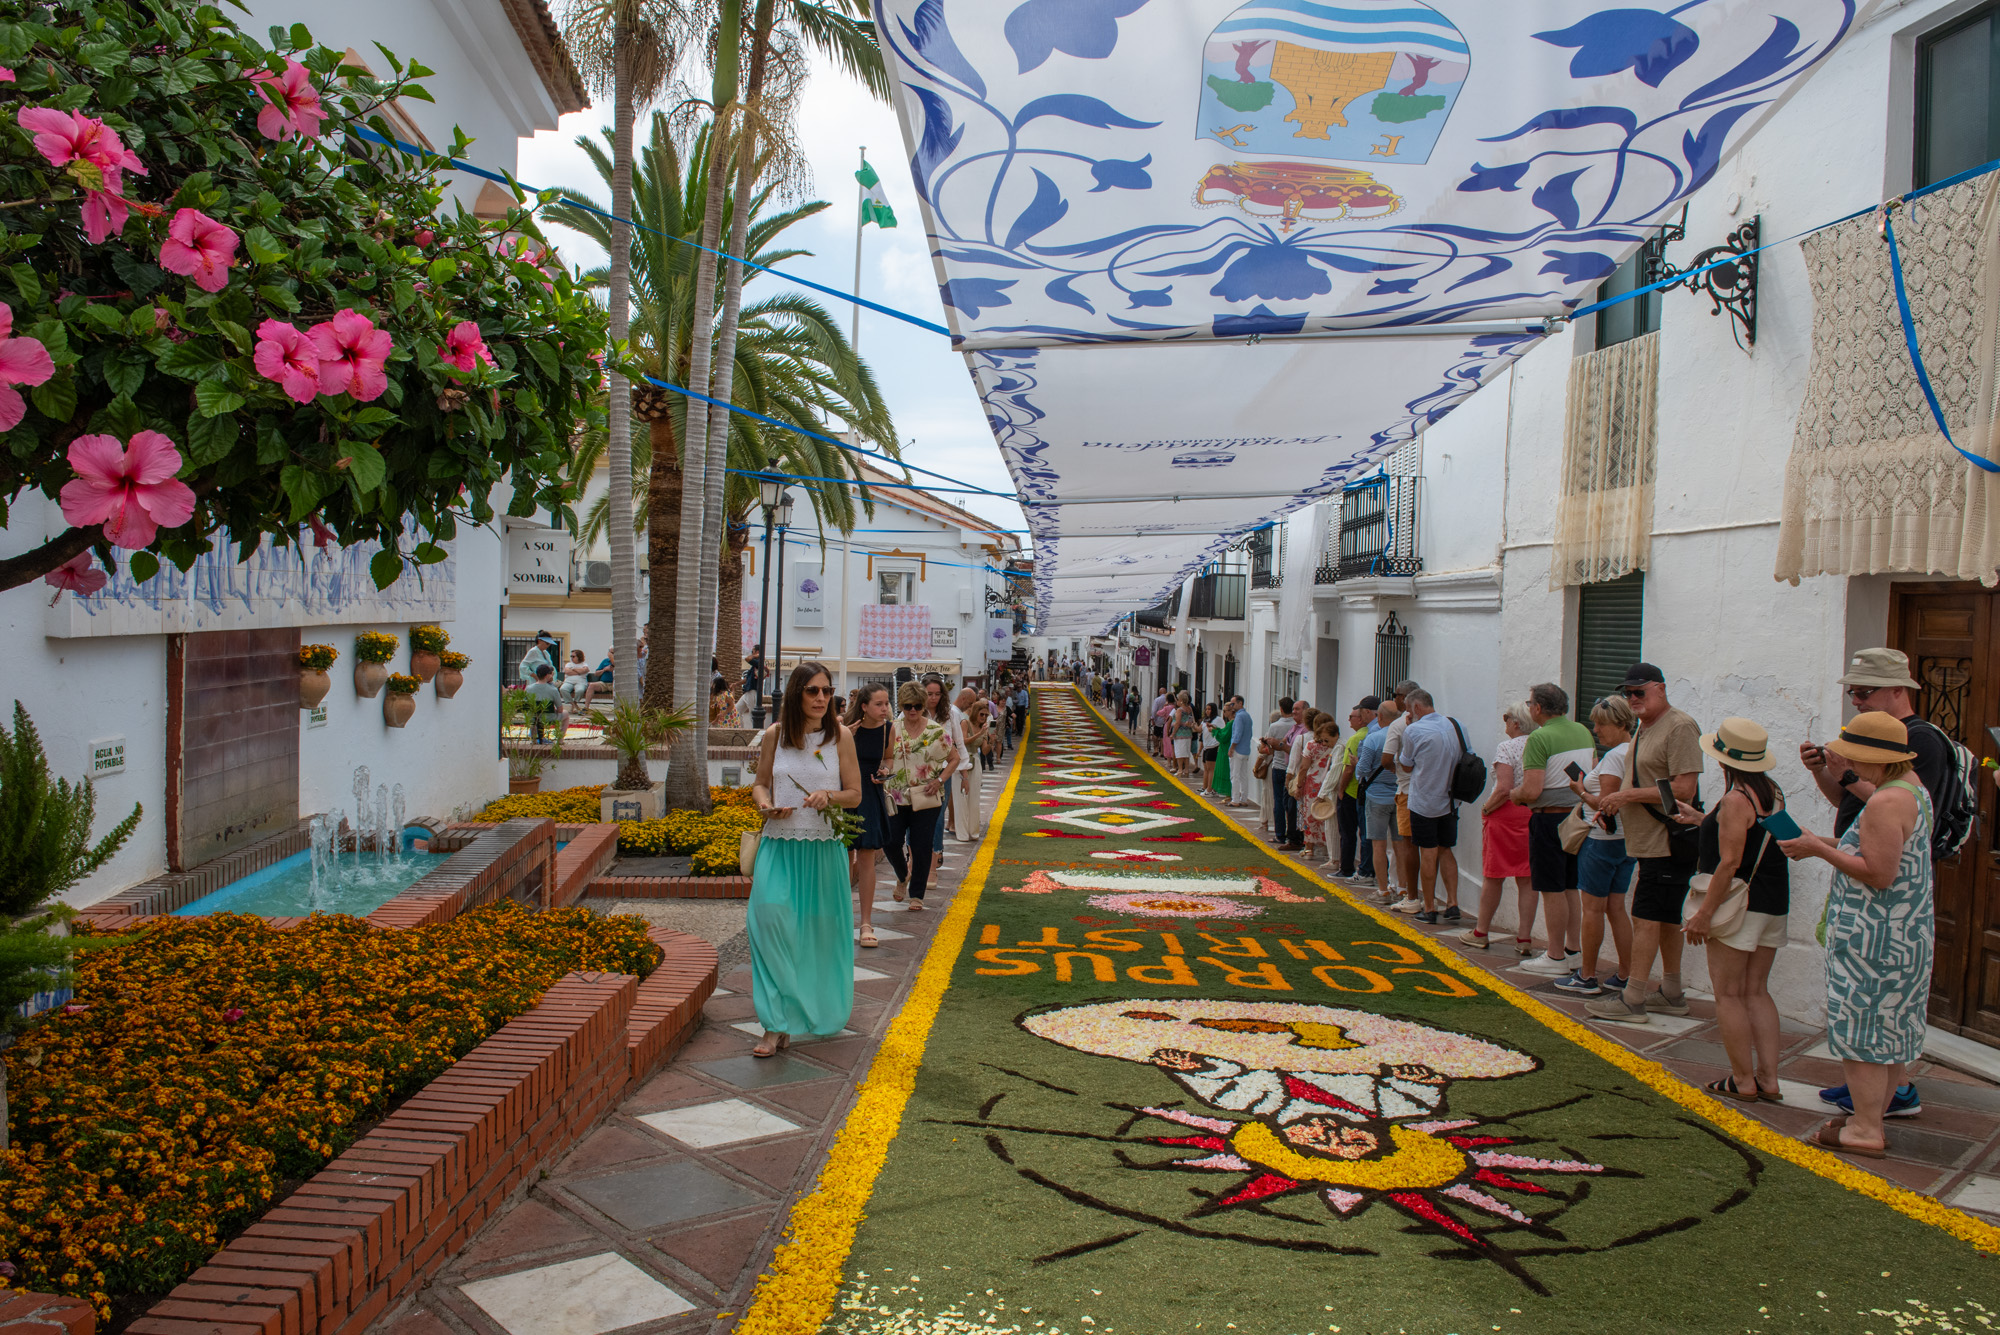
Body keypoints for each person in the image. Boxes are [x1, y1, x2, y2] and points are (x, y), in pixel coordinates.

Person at [1778, 712, 1933, 1157]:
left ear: (1871, 757)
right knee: (1891, 1030)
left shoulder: (1885, 803)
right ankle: (1871, 1118)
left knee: (1863, 1034)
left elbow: (1878, 874)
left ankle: (1865, 1129)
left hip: (1874, 939)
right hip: (1905, 935)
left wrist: (1817, 847)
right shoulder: (1910, 788)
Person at [748, 660, 861, 1057]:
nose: (820, 698)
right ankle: (774, 1022)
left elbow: (855, 794)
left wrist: (828, 796)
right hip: (779, 845)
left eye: (826, 691)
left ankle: (793, 1017)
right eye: (812, 691)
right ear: (796, 694)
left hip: (822, 850)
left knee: (816, 937)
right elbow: (761, 783)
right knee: (768, 922)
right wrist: (765, 804)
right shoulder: (775, 735)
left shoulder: (840, 737)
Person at [1676, 717, 1790, 1102]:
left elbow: (1729, 862)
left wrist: (1704, 913)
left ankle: (1742, 1080)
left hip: (1738, 903)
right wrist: (1701, 819)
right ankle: (1769, 1079)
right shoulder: (1772, 792)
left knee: (1727, 994)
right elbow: (1776, 837)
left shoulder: (1735, 799)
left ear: (1725, 762)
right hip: (1773, 901)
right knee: (1757, 990)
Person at [1586, 663, 1705, 1025]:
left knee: (1647, 916)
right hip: (1650, 840)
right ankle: (1671, 992)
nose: (1633, 699)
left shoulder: (1680, 726)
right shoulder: (1645, 728)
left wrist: (1627, 796)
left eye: (1640, 692)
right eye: (1629, 693)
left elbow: (1685, 789)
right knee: (1666, 918)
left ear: (1661, 689)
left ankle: (1633, 997)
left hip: (1669, 839)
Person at [1512, 683, 1594, 977]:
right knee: (1571, 885)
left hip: (1548, 820)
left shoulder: (1539, 737)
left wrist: (1515, 795)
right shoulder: (1583, 731)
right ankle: (1572, 950)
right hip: (1578, 816)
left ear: (1537, 708)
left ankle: (1555, 954)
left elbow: (1532, 790)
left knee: (1551, 888)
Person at [1557, 696, 1637, 996]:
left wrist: (1580, 790)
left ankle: (1587, 975)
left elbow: (1606, 805)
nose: (1596, 729)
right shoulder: (1634, 751)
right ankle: (1627, 973)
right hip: (1625, 842)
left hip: (1601, 840)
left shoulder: (1616, 756)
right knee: (1616, 908)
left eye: (1601, 724)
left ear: (1619, 723)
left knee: (1592, 909)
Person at [1461, 702, 1534, 953]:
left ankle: (1481, 931)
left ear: (1516, 722)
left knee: (1494, 876)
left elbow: (1503, 787)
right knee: (1527, 878)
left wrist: (1487, 808)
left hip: (1505, 814)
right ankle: (1524, 939)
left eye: (1507, 718)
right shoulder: (1540, 745)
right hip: (1531, 812)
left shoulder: (1508, 747)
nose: (1505, 723)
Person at [883, 680, 960, 910]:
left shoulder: (936, 731)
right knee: (891, 841)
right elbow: (883, 758)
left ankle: (917, 894)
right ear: (902, 706)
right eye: (908, 706)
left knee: (921, 844)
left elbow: (954, 758)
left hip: (926, 796)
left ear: (924, 705)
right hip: (896, 797)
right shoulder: (891, 729)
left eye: (917, 705)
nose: (913, 710)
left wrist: (939, 781)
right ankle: (901, 874)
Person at [1397, 689, 1462, 924]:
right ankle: (1453, 903)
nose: (1407, 714)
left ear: (1416, 708)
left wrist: (1408, 731)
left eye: (1408, 709)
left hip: (1425, 799)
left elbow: (1405, 765)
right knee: (1446, 849)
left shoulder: (1414, 730)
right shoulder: (1456, 725)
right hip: (1451, 800)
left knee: (1428, 851)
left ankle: (1431, 907)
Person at [844, 684, 892, 949]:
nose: (885, 709)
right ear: (864, 706)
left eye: (886, 703)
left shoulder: (888, 729)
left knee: (866, 856)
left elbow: (888, 759)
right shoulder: (844, 728)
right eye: (878, 704)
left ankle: (865, 923)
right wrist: (844, 737)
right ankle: (839, 920)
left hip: (870, 793)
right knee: (841, 856)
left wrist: (885, 771)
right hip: (844, 793)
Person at [1355, 699, 1400, 906]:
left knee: (1379, 844)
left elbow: (1363, 770)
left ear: (1379, 717)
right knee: (1401, 845)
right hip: (1399, 794)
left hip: (1376, 795)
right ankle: (1402, 888)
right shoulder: (1404, 737)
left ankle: (1383, 890)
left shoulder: (1374, 738)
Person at [1329, 698, 1379, 879]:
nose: (1348, 720)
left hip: (1352, 790)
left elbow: (1348, 768)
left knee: (1349, 832)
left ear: (1362, 717)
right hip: (1366, 790)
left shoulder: (1357, 738)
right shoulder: (1372, 733)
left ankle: (1347, 867)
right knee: (1366, 833)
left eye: (1352, 717)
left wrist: (1340, 790)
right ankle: (1367, 869)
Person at [1381, 680, 1420, 900]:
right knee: (1434, 848)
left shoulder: (1399, 725)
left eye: (1396, 695)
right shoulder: (1444, 723)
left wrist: (1399, 771)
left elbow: (1387, 759)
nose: (1395, 698)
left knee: (1406, 842)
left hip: (1406, 789)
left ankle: (1407, 890)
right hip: (1435, 792)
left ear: (1404, 698)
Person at [1296, 713, 1340, 864]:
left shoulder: (1311, 745)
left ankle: (1309, 848)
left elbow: (1303, 767)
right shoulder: (1337, 744)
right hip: (1329, 783)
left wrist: (1299, 785)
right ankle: (1329, 850)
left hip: (1313, 782)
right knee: (1328, 814)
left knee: (1311, 813)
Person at [1263, 697, 1303, 849]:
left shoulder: (1275, 726)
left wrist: (1270, 744)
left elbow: (1271, 747)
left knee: (1281, 802)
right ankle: (1290, 833)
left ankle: (1282, 834)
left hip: (1281, 766)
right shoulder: (1295, 726)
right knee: (1289, 803)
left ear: (1281, 709)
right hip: (1289, 767)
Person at [1228, 694, 1256, 809]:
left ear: (1240, 703)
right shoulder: (1247, 716)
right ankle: (1243, 798)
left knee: (1235, 775)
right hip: (1245, 749)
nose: (1231, 706)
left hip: (1238, 749)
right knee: (1243, 775)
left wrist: (1232, 748)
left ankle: (1235, 799)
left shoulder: (1239, 717)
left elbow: (1237, 734)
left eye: (1233, 703)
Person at [524, 663, 561, 742]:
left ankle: (533, 740)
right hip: (548, 717)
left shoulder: (528, 688)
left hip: (532, 717)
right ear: (547, 675)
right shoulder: (553, 690)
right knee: (565, 714)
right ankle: (560, 739)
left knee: (533, 716)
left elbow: (525, 704)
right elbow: (560, 709)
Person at [1210, 700, 1235, 804]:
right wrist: (1216, 729)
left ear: (1231, 711)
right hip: (1224, 750)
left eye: (1225, 711)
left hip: (1227, 750)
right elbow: (1224, 732)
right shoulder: (1229, 723)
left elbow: (1224, 736)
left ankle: (1229, 794)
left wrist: (1215, 731)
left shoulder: (1232, 723)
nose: (1224, 713)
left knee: (1227, 772)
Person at [1200, 701, 1223, 794]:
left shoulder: (1218, 720)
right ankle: (1205, 787)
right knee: (1206, 768)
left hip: (1214, 745)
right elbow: (1199, 729)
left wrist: (1212, 728)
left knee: (1211, 769)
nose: (1207, 711)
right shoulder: (1206, 720)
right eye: (1206, 709)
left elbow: (1221, 731)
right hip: (1206, 746)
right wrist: (1191, 725)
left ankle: (1210, 789)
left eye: (1209, 709)